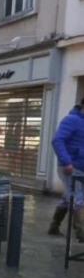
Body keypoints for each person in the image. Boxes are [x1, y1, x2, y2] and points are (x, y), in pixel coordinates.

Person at [50, 98, 84, 239]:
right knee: (79, 197)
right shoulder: (71, 120)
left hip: (81, 166)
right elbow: (57, 140)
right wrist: (67, 161)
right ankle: (82, 232)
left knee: (68, 196)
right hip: (69, 166)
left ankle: (54, 226)